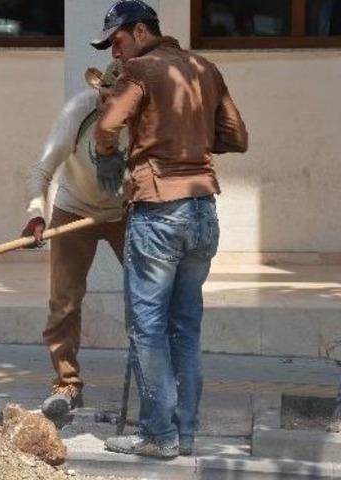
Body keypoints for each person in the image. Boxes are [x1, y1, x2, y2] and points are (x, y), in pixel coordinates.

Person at [89, 0, 248, 458]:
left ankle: (158, 436)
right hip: (203, 210)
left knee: (148, 328)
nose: (115, 52)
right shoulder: (205, 67)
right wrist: (192, 136)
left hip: (159, 211)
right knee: (186, 328)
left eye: (116, 41)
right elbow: (237, 136)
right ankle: (186, 433)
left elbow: (106, 127)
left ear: (141, 31)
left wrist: (110, 157)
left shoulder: (141, 70)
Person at [21, 62, 129, 419]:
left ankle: (154, 384)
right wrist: (36, 213)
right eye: (104, 97)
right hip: (73, 208)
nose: (108, 106)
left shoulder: (149, 117)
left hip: (127, 212)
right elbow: (42, 169)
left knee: (148, 297)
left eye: (119, 100)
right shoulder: (78, 111)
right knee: (64, 301)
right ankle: (66, 384)